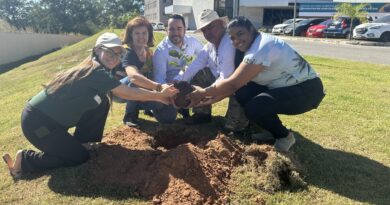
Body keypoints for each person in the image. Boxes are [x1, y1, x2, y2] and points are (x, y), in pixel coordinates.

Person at [2, 32, 178, 178]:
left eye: (118, 54)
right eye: (109, 52)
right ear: (97, 50)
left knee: (101, 103)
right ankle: (25, 160)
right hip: (38, 123)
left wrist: (157, 92)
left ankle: (85, 142)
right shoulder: (95, 71)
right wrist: (158, 96)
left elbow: (127, 85)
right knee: (78, 157)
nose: (114, 57)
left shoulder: (98, 69)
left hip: (49, 122)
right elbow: (127, 92)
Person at [188, 16, 325, 152]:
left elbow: (233, 83)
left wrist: (203, 93)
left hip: (307, 90)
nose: (237, 41)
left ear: (251, 29)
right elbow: (236, 86)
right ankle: (269, 129)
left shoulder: (261, 48)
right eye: (232, 38)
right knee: (243, 93)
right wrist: (210, 98)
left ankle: (284, 136)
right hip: (283, 86)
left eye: (240, 34)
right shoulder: (251, 45)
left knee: (255, 107)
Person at [174, 9, 249, 131]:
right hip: (224, 81)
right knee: (199, 74)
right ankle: (202, 114)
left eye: (211, 27)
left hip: (242, 84)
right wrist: (176, 81)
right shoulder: (209, 47)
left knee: (232, 128)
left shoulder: (229, 43)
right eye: (204, 30)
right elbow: (194, 66)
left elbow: (227, 78)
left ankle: (243, 122)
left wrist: (203, 94)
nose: (208, 32)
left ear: (221, 24)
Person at [118, 16, 176, 127]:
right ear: (131, 35)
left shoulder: (149, 53)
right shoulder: (127, 51)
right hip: (121, 90)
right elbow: (133, 76)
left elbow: (156, 75)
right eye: (137, 33)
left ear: (149, 34)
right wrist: (159, 89)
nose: (141, 37)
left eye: (144, 33)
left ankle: (148, 109)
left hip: (143, 90)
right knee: (136, 80)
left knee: (169, 116)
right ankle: (129, 115)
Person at [153, 14, 203, 118]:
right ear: (166, 30)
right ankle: (152, 108)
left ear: (185, 29)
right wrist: (170, 96)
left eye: (179, 28)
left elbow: (204, 56)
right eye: (171, 29)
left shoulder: (192, 41)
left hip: (189, 83)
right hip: (171, 87)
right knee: (167, 118)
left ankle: (201, 113)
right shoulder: (161, 51)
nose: (176, 33)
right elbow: (160, 79)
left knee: (204, 72)